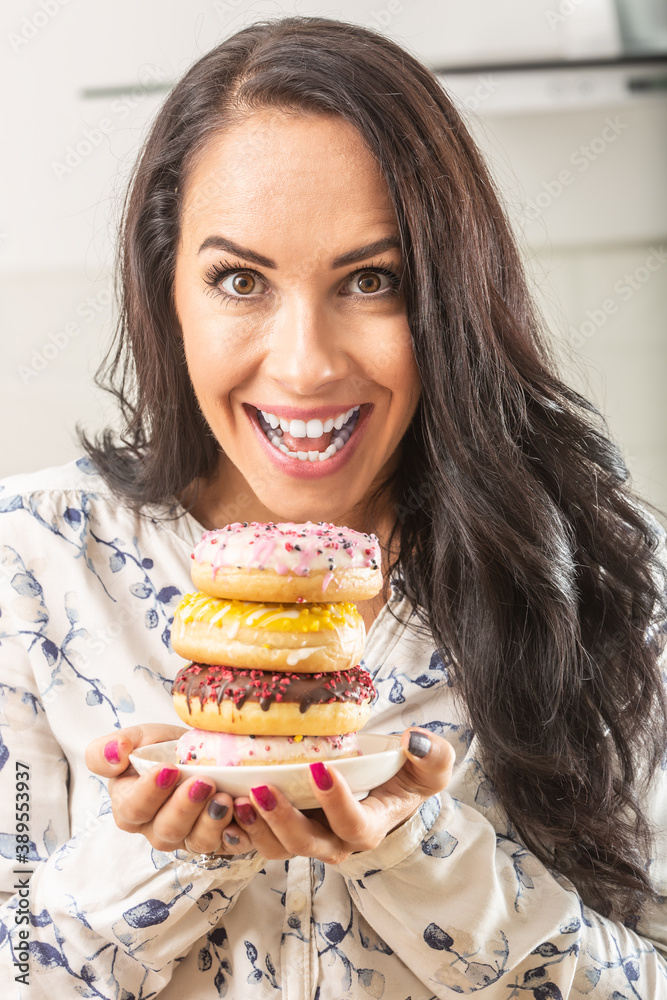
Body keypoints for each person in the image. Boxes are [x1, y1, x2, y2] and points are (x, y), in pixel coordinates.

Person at [1, 14, 666, 999]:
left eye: (371, 280)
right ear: (167, 289)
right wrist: (156, 861)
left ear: (447, 293)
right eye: (239, 280)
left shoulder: (608, 575)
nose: (306, 363)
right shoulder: (33, 567)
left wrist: (425, 855)